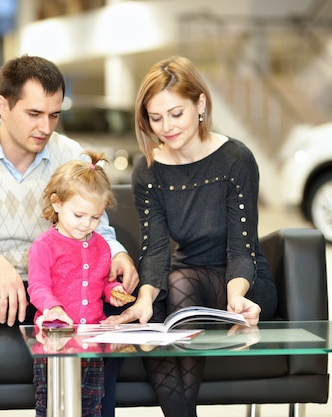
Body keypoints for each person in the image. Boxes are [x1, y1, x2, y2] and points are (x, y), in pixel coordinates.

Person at [0, 54, 138, 417]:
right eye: (34, 114)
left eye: (54, 115)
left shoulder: (70, 153)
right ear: (2, 104)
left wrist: (118, 254)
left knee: (109, 298)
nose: (46, 127)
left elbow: (99, 232)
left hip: (57, 288)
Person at [102, 55, 278, 417]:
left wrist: (236, 298)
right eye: (156, 117)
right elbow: (154, 248)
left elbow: (242, 246)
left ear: (200, 104)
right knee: (152, 313)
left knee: (180, 284)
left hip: (242, 281)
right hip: (186, 279)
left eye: (176, 113)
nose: (166, 126)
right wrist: (146, 298)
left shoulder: (235, 159)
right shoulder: (148, 171)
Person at [28, 150, 133, 417]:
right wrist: (53, 308)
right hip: (56, 342)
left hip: (92, 341)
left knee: (91, 406)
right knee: (51, 405)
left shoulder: (101, 246)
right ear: (57, 203)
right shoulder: (44, 245)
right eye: (79, 215)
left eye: (95, 218)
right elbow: (38, 287)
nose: (87, 224)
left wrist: (114, 292)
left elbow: (101, 284)